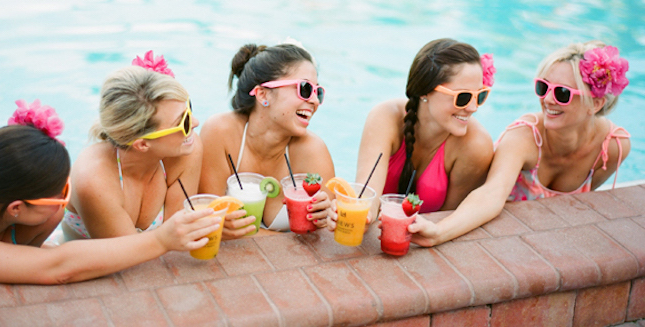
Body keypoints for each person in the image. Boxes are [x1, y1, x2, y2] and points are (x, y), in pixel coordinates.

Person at [0, 100, 220, 284]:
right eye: (62, 194)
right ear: (16, 208)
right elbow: (58, 268)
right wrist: (161, 240)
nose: (67, 202)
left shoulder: (2, 208)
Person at [408, 41, 631, 246]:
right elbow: (491, 194)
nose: (548, 100)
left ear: (596, 103)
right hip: (500, 239)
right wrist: (438, 232)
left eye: (563, 93)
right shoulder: (524, 137)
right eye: (543, 87)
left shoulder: (612, 148)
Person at [327, 38, 495, 230]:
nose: (473, 108)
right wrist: (357, 215)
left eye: (480, 95)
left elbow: (449, 218)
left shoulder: (475, 145)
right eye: (463, 97)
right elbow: (367, 194)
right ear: (425, 91)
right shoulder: (385, 118)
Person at [62, 51, 203, 240]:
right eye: (184, 122)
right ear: (142, 144)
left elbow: (176, 241)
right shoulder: (94, 180)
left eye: (189, 109)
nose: (195, 123)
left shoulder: (185, 149)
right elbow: (127, 260)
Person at [199, 41, 334, 238]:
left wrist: (325, 216)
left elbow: (322, 237)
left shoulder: (313, 151)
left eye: (318, 92)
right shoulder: (220, 133)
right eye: (305, 89)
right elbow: (209, 220)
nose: (314, 101)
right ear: (263, 94)